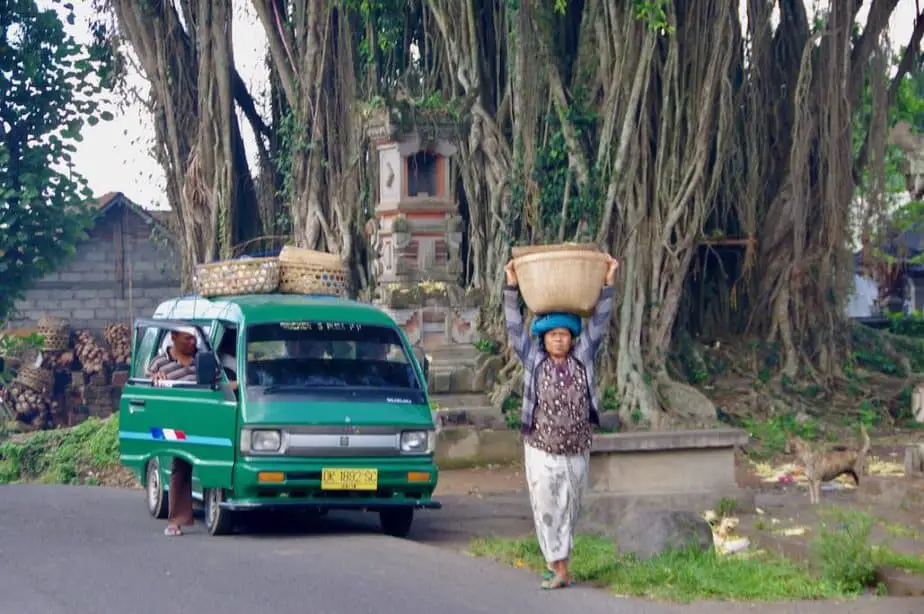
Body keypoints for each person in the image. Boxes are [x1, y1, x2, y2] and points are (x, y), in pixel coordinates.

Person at [503, 253, 618, 590]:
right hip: (541, 447)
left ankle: (559, 563)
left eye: (564, 335)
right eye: (552, 335)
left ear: (572, 339)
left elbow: (599, 322)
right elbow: (513, 327)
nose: (558, 340)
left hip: (577, 448)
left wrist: (608, 282)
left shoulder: (583, 357)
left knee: (571, 508)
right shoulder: (534, 358)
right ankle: (559, 568)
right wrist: (512, 286)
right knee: (547, 505)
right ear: (544, 338)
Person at [147, 326, 199, 536]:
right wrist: (153, 379)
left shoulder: (204, 360)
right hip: (177, 423)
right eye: (188, 339)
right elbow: (146, 386)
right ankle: (175, 521)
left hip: (203, 419)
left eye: (195, 339)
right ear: (173, 337)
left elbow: (219, 383)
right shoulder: (159, 362)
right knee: (180, 465)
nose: (193, 343)